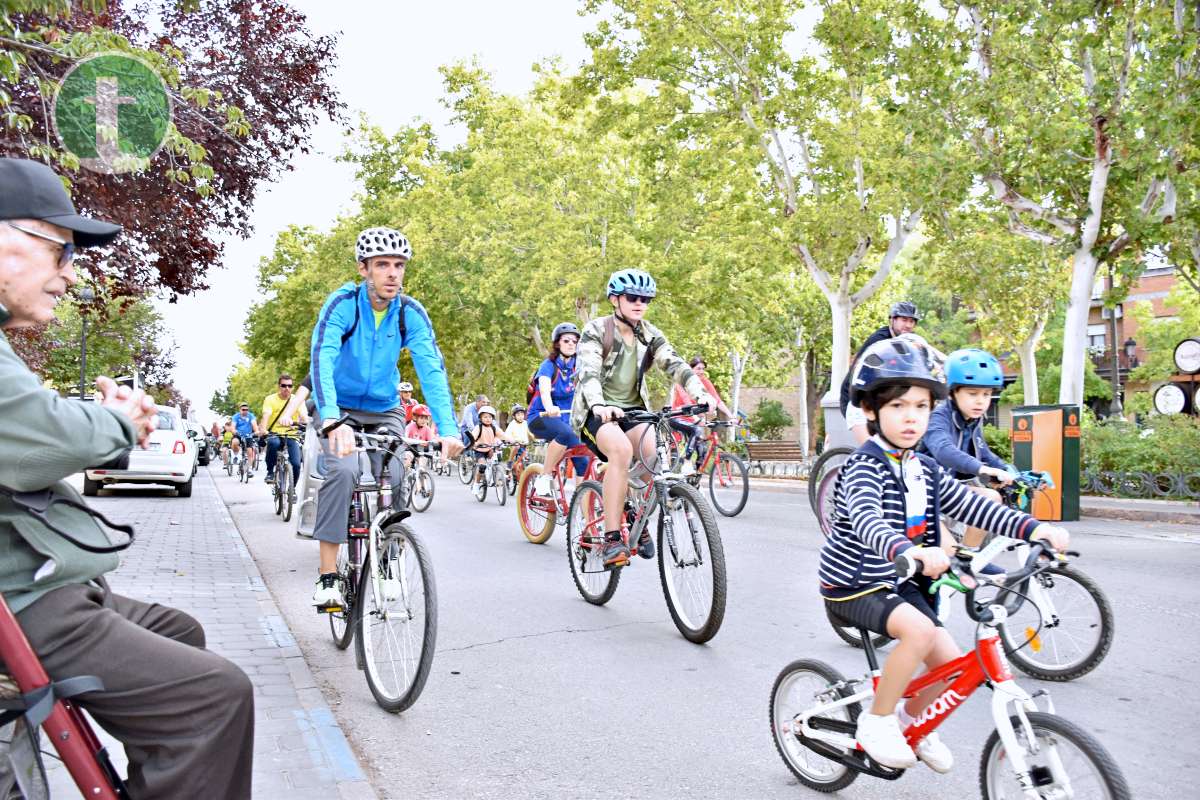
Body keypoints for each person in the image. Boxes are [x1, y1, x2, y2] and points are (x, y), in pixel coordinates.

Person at [0, 157, 253, 798]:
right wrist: (115, 422)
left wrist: (111, 423)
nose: (68, 273)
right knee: (217, 697)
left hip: (36, 586)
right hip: (24, 602)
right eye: (59, 249)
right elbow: (36, 436)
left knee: (182, 634)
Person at [819, 338, 1069, 772]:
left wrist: (1035, 529)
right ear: (872, 412)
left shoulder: (924, 467)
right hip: (855, 582)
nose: (911, 416)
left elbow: (972, 505)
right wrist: (907, 550)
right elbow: (865, 518)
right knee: (917, 632)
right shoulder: (864, 465)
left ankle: (909, 721)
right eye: (898, 406)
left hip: (901, 582)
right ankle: (876, 723)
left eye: (920, 405)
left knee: (954, 665)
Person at [308, 226, 463, 608]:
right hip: (338, 407)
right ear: (364, 269)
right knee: (343, 471)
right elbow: (322, 358)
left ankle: (388, 560)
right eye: (382, 265)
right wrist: (330, 419)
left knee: (394, 473)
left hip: (383, 408)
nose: (392, 273)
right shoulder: (343, 303)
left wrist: (448, 429)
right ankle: (328, 576)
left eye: (398, 265)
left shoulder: (410, 313)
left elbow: (431, 369)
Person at [571, 268, 713, 568]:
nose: (640, 304)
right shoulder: (597, 330)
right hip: (596, 414)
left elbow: (675, 364)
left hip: (634, 411)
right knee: (620, 451)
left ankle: (634, 512)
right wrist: (599, 405)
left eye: (646, 299)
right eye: (633, 298)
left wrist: (700, 394)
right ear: (615, 299)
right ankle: (612, 538)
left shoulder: (649, 334)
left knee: (656, 456)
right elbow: (588, 373)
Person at [919, 348, 1014, 547]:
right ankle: (956, 562)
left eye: (987, 394)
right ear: (952, 392)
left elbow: (983, 453)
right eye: (973, 393)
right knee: (946, 555)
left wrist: (1011, 471)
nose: (981, 401)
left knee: (992, 498)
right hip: (924, 491)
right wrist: (982, 469)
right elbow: (943, 450)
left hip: (950, 489)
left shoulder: (972, 419)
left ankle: (969, 556)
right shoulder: (938, 416)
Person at [839, 301, 921, 445]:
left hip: (881, 401)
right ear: (892, 320)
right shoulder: (880, 341)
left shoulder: (908, 341)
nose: (908, 325)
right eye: (903, 320)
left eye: (911, 321)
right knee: (874, 450)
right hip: (857, 400)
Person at [527, 322, 589, 493]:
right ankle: (544, 476)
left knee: (584, 460)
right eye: (566, 341)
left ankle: (581, 509)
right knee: (565, 433)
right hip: (541, 417)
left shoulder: (579, 366)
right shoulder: (548, 365)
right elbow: (545, 392)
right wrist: (550, 407)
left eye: (574, 342)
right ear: (557, 344)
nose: (571, 344)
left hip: (568, 419)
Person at [669, 356, 735, 469]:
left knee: (702, 450)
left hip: (694, 420)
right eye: (698, 368)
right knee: (696, 430)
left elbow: (717, 400)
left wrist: (731, 416)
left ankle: (695, 479)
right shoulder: (682, 381)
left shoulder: (705, 381)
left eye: (703, 369)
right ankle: (687, 462)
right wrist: (697, 417)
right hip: (678, 417)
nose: (701, 371)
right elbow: (686, 399)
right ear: (691, 369)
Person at [261, 373, 306, 486]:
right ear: (279, 386)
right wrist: (263, 430)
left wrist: (307, 423)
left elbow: (304, 415)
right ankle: (270, 472)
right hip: (274, 433)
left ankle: (293, 488)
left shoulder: (297, 400)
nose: (287, 388)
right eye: (284, 385)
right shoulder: (270, 399)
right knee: (273, 443)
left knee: (296, 464)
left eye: (290, 386)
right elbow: (266, 415)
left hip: (291, 435)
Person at [465, 405, 504, 485]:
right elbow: (473, 436)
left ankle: (494, 475)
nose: (488, 419)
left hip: (489, 449)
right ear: (480, 418)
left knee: (497, 458)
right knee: (482, 466)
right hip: (479, 450)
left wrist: (513, 440)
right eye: (485, 417)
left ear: (492, 418)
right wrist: (473, 442)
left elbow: (503, 435)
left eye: (490, 417)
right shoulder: (478, 428)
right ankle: (476, 483)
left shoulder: (494, 428)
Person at [503, 404, 531, 474]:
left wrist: (537, 439)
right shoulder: (512, 424)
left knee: (527, 460)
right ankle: (510, 462)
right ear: (514, 416)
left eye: (522, 414)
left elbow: (531, 433)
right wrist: (511, 440)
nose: (521, 416)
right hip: (515, 445)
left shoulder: (526, 423)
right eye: (518, 415)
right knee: (516, 447)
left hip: (524, 445)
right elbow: (507, 435)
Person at [231, 402, 258, 473]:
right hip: (238, 434)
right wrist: (234, 431)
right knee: (234, 442)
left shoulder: (251, 416)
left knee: (250, 452)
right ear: (240, 410)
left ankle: (249, 469)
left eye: (246, 409)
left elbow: (254, 425)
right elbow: (233, 427)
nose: (245, 411)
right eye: (243, 409)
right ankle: (236, 455)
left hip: (248, 435)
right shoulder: (236, 416)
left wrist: (256, 431)